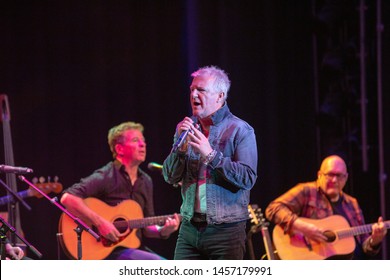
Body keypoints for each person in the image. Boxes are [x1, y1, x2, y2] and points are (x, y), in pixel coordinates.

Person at [162, 65, 258, 259]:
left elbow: (248, 178)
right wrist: (180, 148)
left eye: (201, 90)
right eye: (192, 90)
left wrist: (211, 155)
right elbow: (169, 176)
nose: (193, 94)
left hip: (226, 232)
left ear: (220, 96)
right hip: (189, 229)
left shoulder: (240, 130)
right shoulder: (186, 128)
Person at [60, 121, 180, 260]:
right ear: (119, 149)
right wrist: (100, 223)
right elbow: (67, 198)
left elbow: (147, 227)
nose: (143, 144)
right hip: (105, 249)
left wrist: (163, 231)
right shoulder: (106, 175)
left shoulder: (146, 181)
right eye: (136, 140)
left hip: (131, 248)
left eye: (143, 141)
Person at [265, 154, 387, 259]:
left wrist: (375, 240)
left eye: (339, 175)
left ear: (346, 178)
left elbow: (366, 248)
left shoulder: (352, 203)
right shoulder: (307, 191)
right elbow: (273, 208)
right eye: (330, 174)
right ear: (319, 175)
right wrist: (302, 227)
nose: (334, 180)